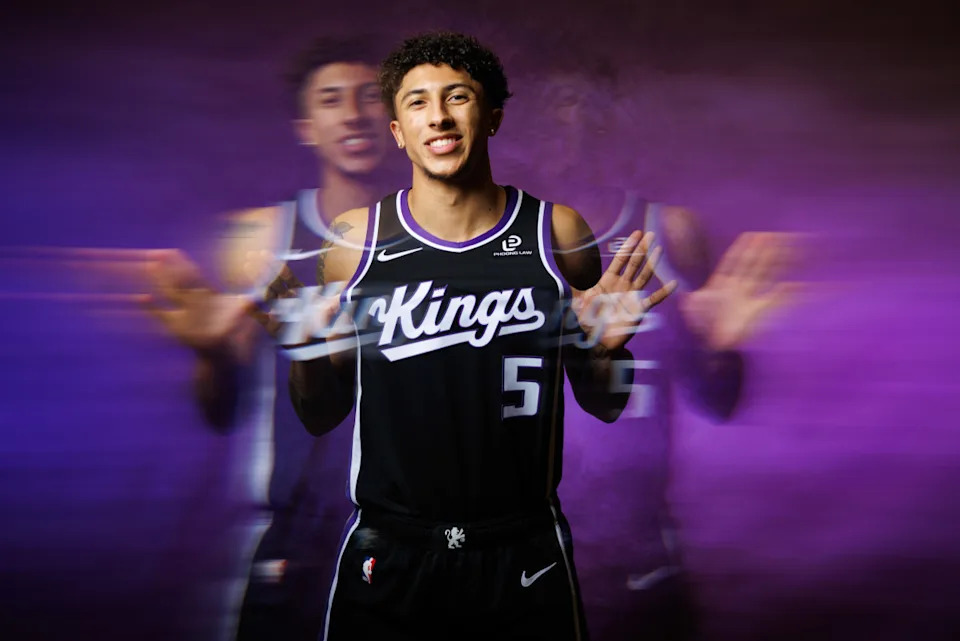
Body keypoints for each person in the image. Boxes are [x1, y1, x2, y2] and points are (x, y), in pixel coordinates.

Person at [286, 31, 679, 641]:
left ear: (492, 116)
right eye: (417, 102)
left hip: (522, 549)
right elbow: (317, 415)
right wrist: (307, 355)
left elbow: (606, 404)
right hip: (391, 550)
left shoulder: (557, 233)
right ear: (397, 130)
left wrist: (609, 350)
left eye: (457, 97)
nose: (438, 116)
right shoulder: (354, 242)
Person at [142, 37, 398, 641]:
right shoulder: (259, 241)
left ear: (394, 121)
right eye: (332, 100)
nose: (355, 114)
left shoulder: (445, 243)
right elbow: (219, 411)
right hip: (294, 530)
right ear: (307, 126)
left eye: (370, 98)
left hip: (414, 529)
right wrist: (210, 354)